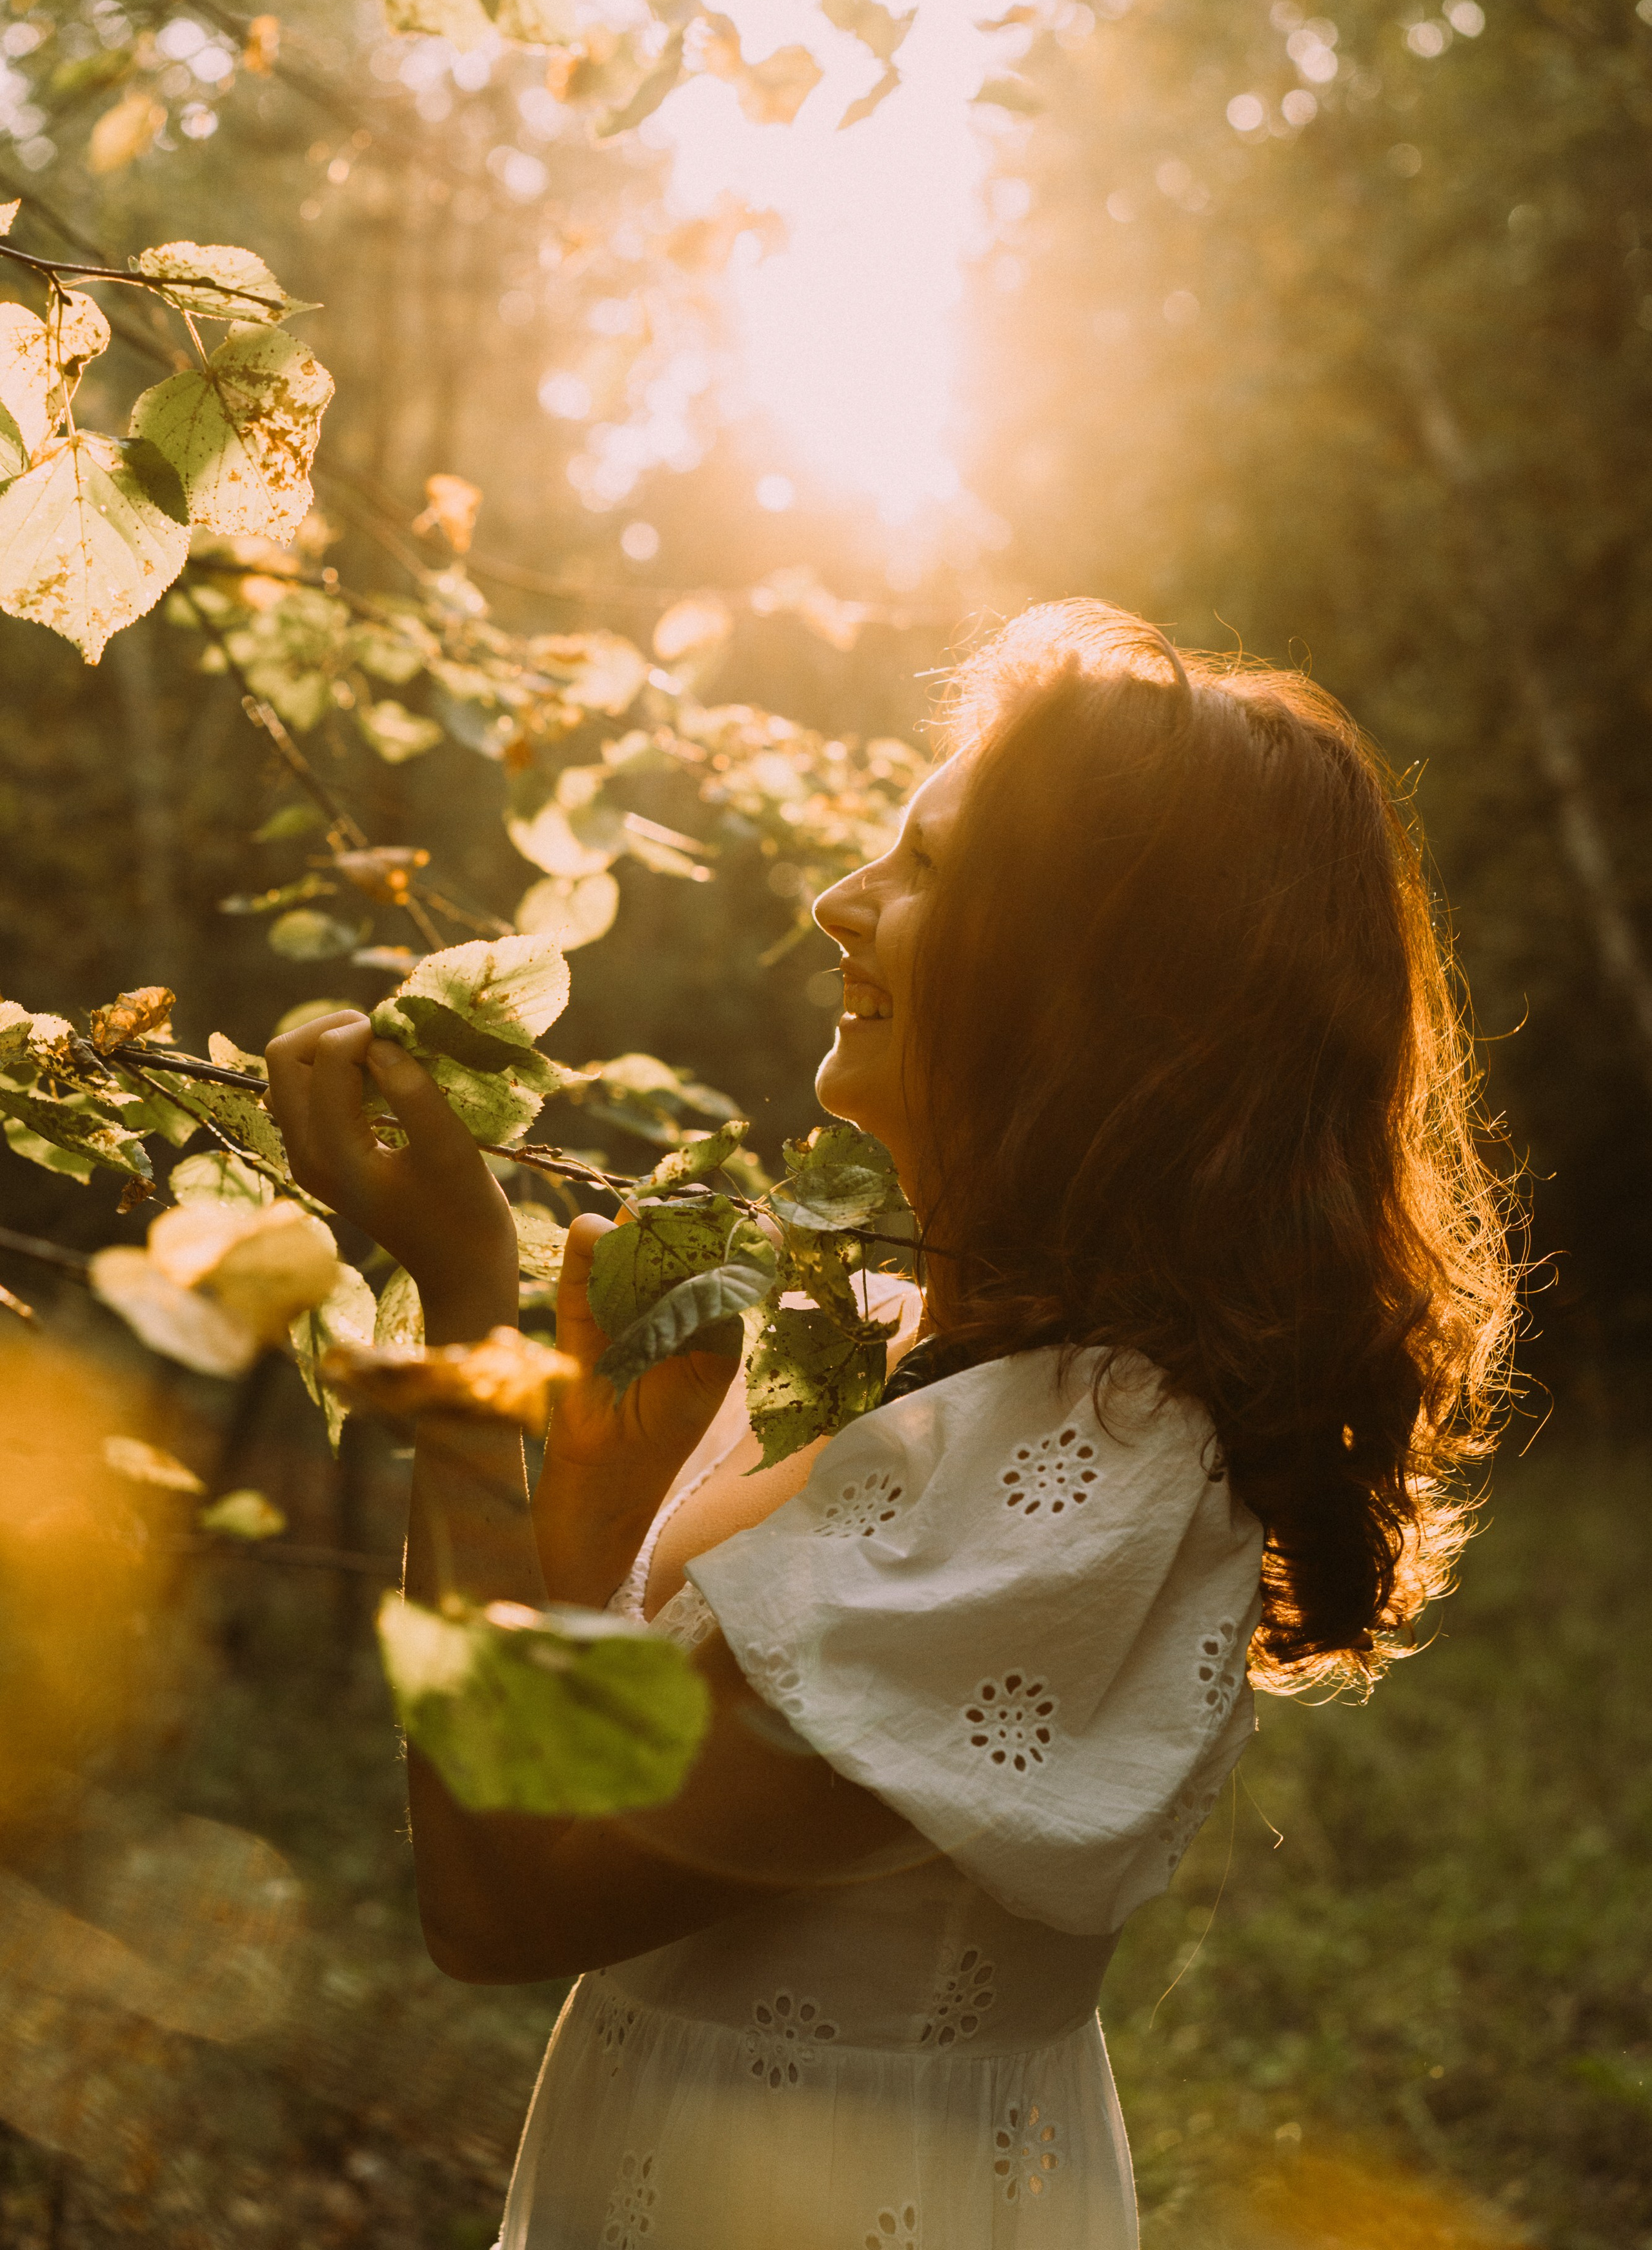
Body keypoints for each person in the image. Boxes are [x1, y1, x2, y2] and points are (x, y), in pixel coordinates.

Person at [265, 602, 1516, 2250]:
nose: (834, 902)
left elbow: (503, 1896)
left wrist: (462, 1322)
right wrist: (590, 1471)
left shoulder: (1089, 1460)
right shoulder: (879, 1343)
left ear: (1095, 985)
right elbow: (576, 1758)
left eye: (922, 874)